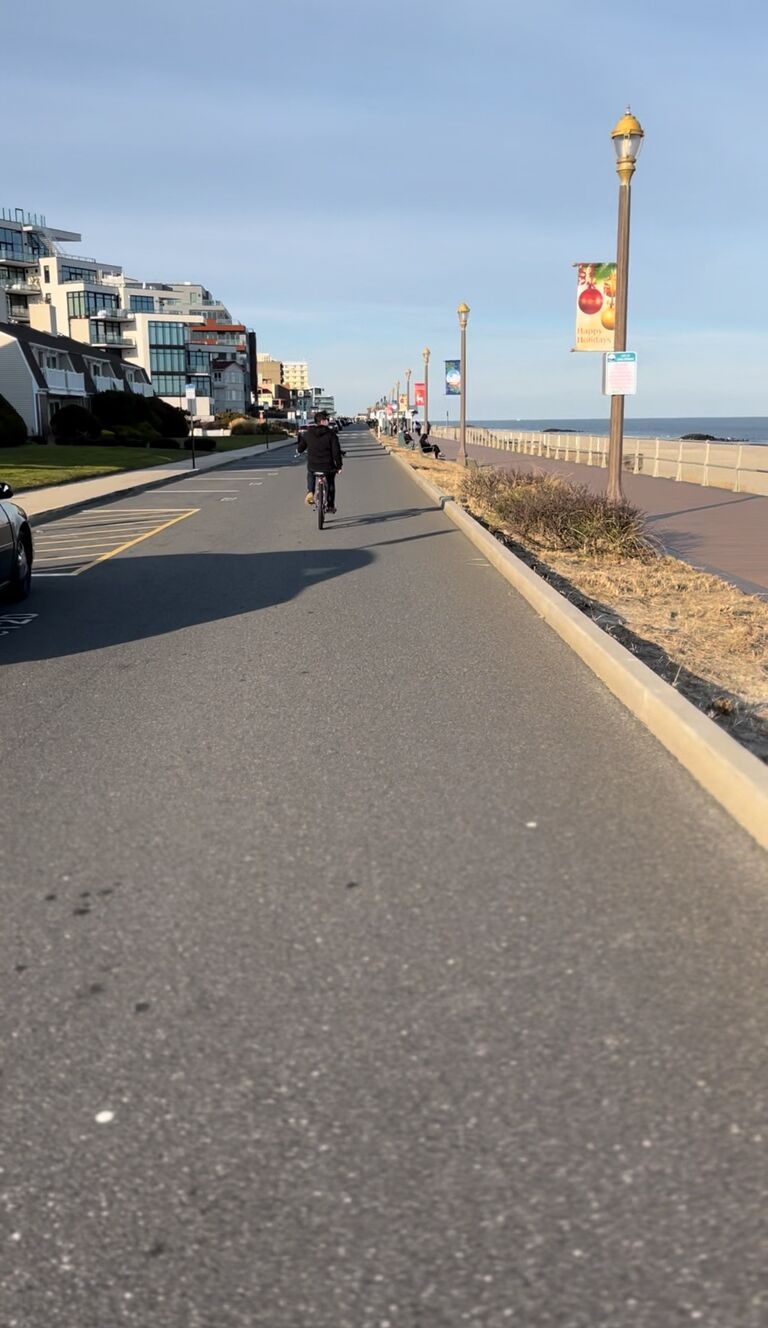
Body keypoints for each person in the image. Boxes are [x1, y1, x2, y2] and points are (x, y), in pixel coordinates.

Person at [297, 410, 343, 513]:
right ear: (322, 421)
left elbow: (300, 448)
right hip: (328, 467)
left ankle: (310, 491)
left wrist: (299, 450)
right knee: (331, 482)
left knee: (310, 473)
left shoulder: (309, 433)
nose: (328, 421)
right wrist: (339, 466)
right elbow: (336, 452)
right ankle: (330, 505)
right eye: (327, 419)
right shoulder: (331, 434)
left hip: (313, 465)